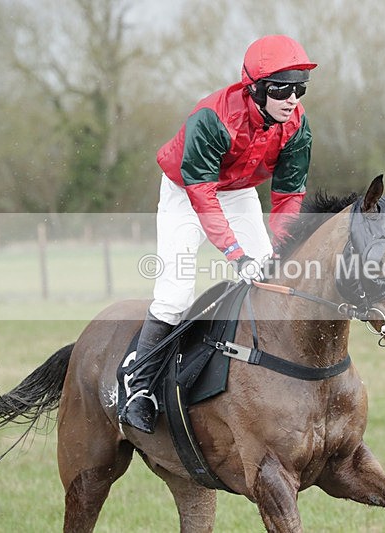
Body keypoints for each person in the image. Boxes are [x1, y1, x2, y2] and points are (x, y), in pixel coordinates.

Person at [118, 34, 317, 434]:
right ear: (255, 88)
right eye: (281, 89)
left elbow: (289, 196)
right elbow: (202, 196)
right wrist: (235, 254)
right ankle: (138, 387)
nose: (292, 98)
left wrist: (277, 251)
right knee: (175, 297)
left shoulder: (296, 126)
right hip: (187, 191)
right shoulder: (213, 118)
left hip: (238, 192)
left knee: (267, 276)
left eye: (299, 88)